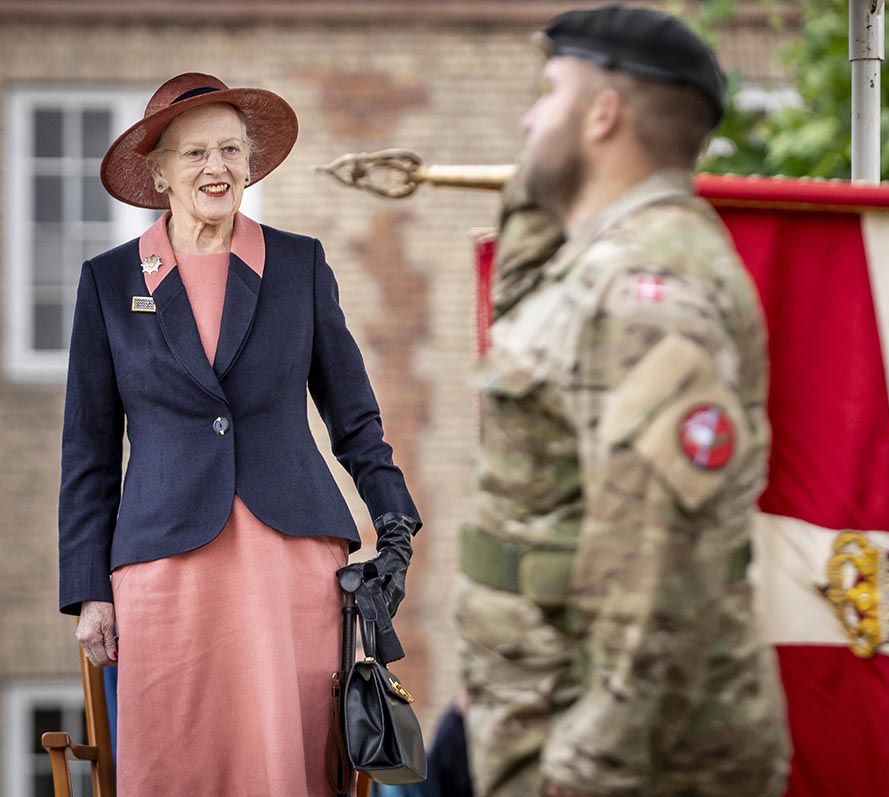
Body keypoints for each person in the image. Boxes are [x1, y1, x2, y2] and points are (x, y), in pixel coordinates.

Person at [456, 6, 790, 797]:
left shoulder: (648, 289)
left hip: (623, 757)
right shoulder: (599, 263)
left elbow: (663, 554)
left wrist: (593, 759)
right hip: (557, 712)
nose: (528, 117)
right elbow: (524, 317)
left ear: (602, 113)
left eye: (548, 94)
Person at [58, 72, 420, 796]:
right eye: (193, 154)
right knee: (174, 753)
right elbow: (89, 449)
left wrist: (395, 522)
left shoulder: (299, 264)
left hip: (290, 556)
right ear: (157, 172)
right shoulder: (108, 281)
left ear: (251, 164)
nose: (215, 168)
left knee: (284, 753)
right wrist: (86, 588)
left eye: (229, 149)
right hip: (161, 562)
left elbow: (354, 416)